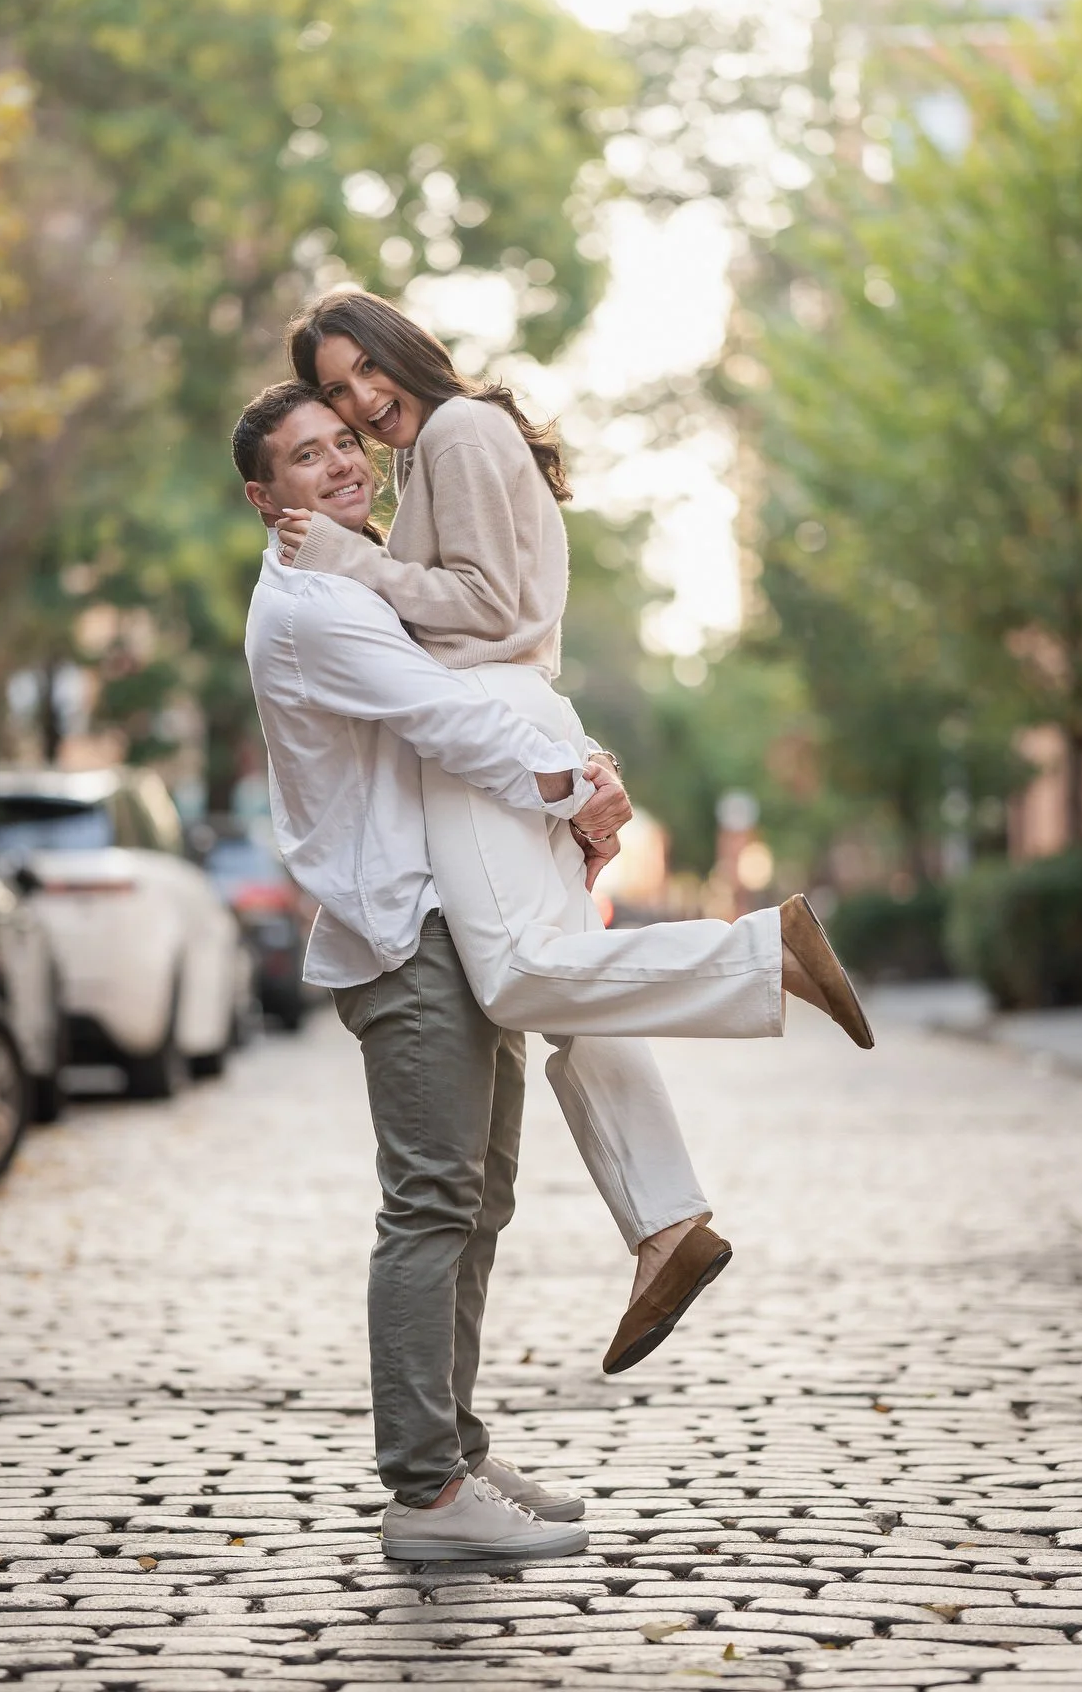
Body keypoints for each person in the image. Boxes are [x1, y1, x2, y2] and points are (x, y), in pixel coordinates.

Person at [277, 288, 873, 1366]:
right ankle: (667, 1226)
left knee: (516, 977)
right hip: (520, 722)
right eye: (334, 392)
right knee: (572, 987)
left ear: (408, 349)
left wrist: (346, 559)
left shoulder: (456, 430)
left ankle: (759, 950)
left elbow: (490, 608)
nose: (362, 401)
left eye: (366, 370)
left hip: (489, 732)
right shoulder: (457, 441)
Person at [238, 382, 707, 1561]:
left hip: (451, 917)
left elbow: (480, 681)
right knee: (432, 1205)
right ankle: (426, 1494)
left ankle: (455, 1446)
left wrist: (576, 765)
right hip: (400, 934)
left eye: (346, 442)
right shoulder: (313, 606)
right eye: (307, 456)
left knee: (478, 1201)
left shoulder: (357, 575)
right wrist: (576, 781)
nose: (342, 462)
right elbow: (450, 719)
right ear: (265, 496)